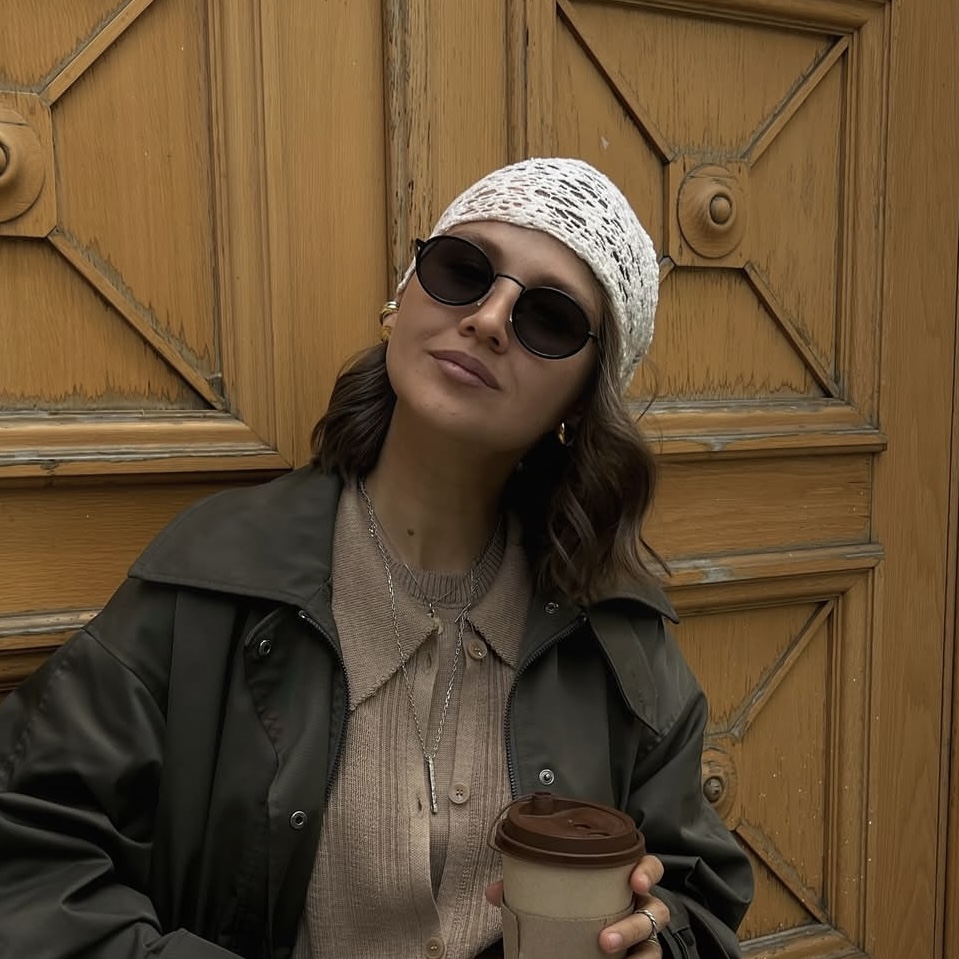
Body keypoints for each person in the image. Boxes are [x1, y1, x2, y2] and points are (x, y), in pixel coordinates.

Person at [0, 157, 753, 959]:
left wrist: (658, 940)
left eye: (549, 318)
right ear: (399, 304)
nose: (489, 319)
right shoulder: (216, 573)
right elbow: (31, 856)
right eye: (462, 271)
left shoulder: (618, 635)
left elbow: (693, 891)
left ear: (580, 399)